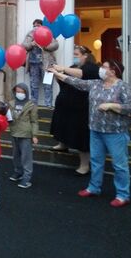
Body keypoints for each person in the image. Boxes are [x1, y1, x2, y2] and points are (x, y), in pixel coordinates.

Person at [49, 59, 131, 207]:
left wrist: (112, 106)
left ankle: (123, 195)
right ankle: (94, 187)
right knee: (96, 161)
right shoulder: (96, 83)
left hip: (115, 132)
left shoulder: (122, 87)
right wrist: (58, 74)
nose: (101, 69)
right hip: (95, 130)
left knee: (119, 165)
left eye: (104, 67)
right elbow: (77, 82)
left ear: (113, 71)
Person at [50, 45, 100, 175]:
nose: (74, 57)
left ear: (85, 56)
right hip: (65, 105)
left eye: (76, 54)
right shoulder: (72, 67)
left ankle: (84, 165)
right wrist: (56, 73)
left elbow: (82, 75)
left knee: (81, 136)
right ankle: (63, 144)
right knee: (61, 126)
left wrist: (63, 69)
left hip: (81, 108)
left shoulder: (92, 68)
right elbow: (64, 80)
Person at [22, 19, 58, 107]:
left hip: (46, 64)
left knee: (48, 86)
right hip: (33, 64)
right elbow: (24, 45)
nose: (35, 27)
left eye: (38, 25)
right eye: (34, 25)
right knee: (34, 86)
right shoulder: (30, 34)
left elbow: (55, 45)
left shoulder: (47, 33)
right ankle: (34, 107)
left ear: (42, 26)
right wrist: (31, 44)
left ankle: (48, 106)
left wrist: (45, 45)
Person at [8, 83, 38, 189]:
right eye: (17, 91)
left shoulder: (31, 105)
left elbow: (34, 121)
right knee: (16, 155)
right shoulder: (11, 103)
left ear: (26, 92)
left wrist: (34, 135)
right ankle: (18, 172)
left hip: (26, 133)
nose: (19, 93)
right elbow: (7, 117)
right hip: (14, 132)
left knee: (26, 156)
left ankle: (27, 177)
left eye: (22, 92)